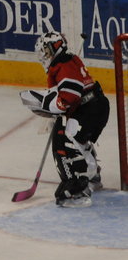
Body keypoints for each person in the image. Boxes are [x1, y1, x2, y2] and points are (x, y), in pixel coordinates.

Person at [20, 31, 110, 207]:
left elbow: (70, 95)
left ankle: (76, 189)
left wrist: (55, 107)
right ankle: (92, 176)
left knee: (63, 141)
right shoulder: (68, 60)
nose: (44, 56)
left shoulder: (62, 63)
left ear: (55, 48)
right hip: (95, 105)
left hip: (88, 109)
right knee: (78, 139)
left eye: (46, 51)